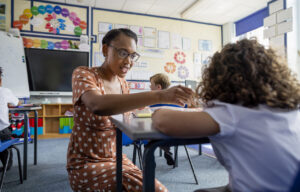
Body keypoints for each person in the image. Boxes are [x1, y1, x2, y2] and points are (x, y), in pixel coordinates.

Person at [152, 39, 300, 192]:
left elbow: (163, 121)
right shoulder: (291, 107)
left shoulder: (231, 112)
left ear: (220, 78)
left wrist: (158, 109)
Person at [66, 28, 194, 192]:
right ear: (105, 49)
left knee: (153, 188)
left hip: (116, 158)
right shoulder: (84, 74)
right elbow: (98, 105)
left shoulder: (123, 84)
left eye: (133, 55)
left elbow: (131, 116)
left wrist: (164, 115)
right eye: (122, 53)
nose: (129, 61)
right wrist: (158, 96)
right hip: (85, 163)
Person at [149, 73, 175, 166]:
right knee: (165, 137)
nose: (149, 87)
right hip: (175, 133)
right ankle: (168, 152)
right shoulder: (175, 100)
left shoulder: (152, 101)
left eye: (151, 85)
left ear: (158, 87)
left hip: (155, 131)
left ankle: (149, 159)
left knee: (149, 139)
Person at [0, 67, 20, 171]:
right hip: (2, 131)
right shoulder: (5, 91)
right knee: (6, 133)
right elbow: (17, 103)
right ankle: (6, 165)